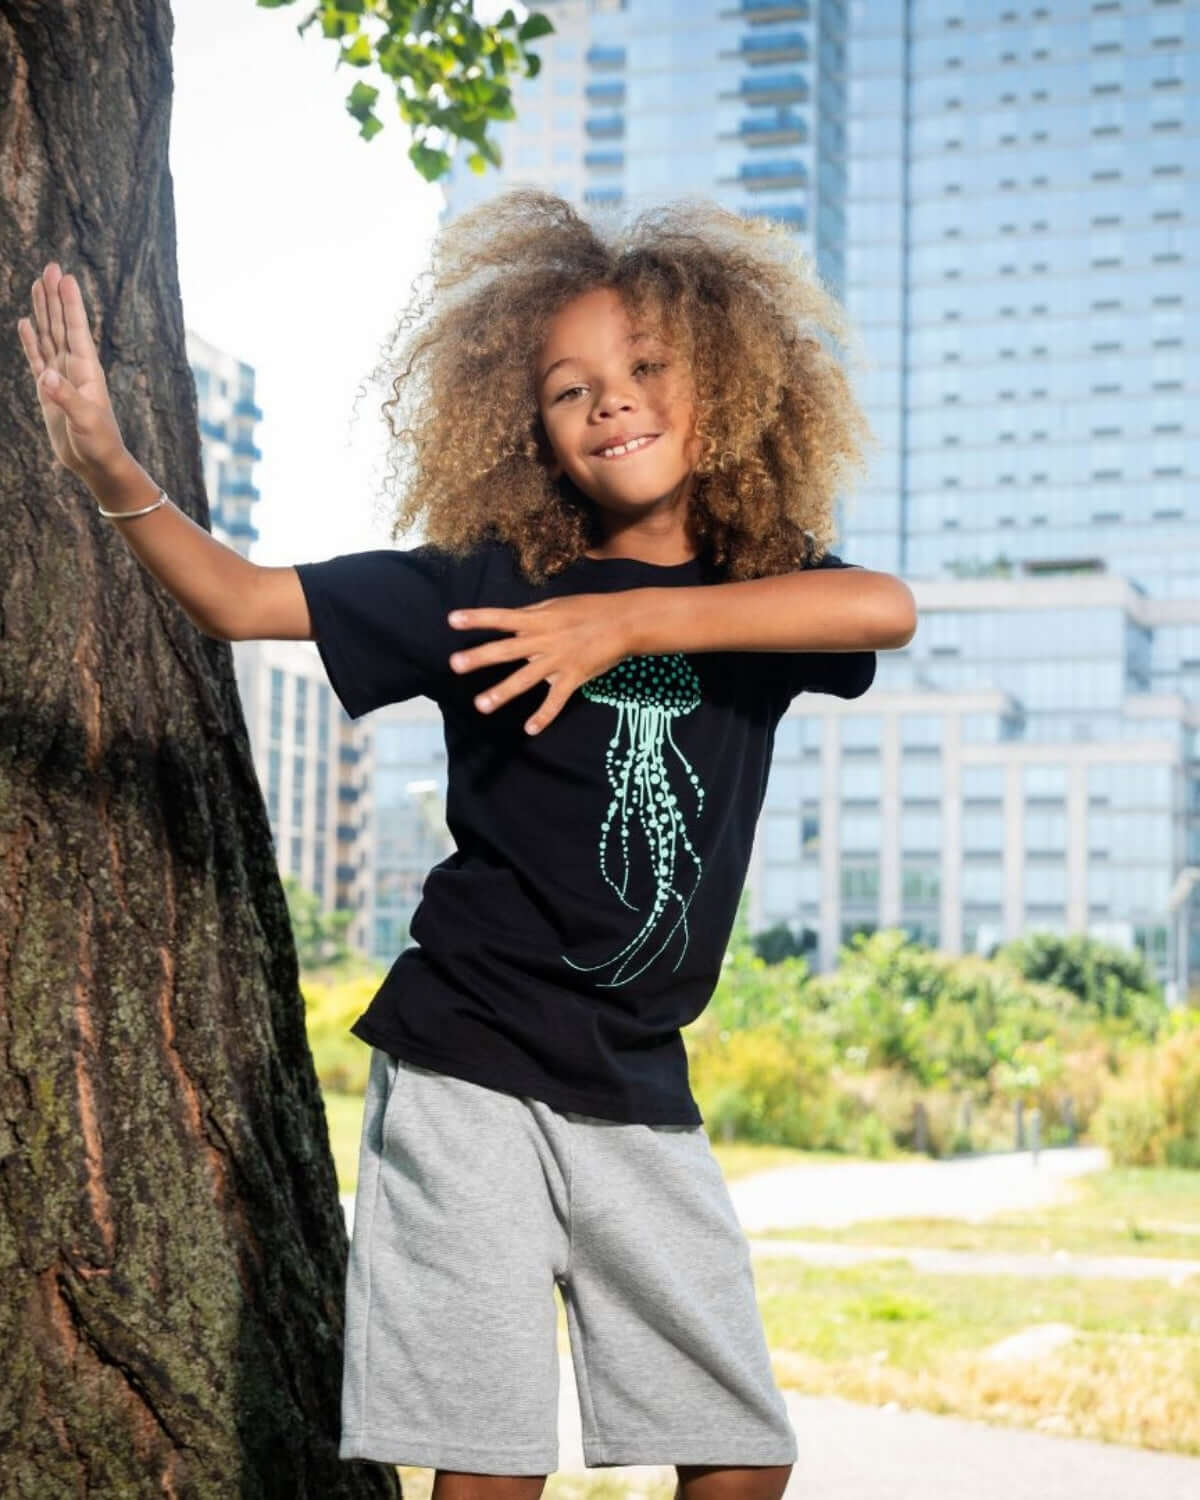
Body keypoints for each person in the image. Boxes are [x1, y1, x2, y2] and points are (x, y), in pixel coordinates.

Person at [19, 188, 916, 1500]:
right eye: (570, 388)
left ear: (723, 387)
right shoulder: (480, 584)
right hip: (465, 1059)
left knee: (740, 1450)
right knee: (489, 1456)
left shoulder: (754, 601)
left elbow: (880, 609)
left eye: (647, 368)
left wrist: (633, 630)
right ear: (527, 427)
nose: (611, 399)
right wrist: (112, 471)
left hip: (637, 1078)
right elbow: (239, 597)